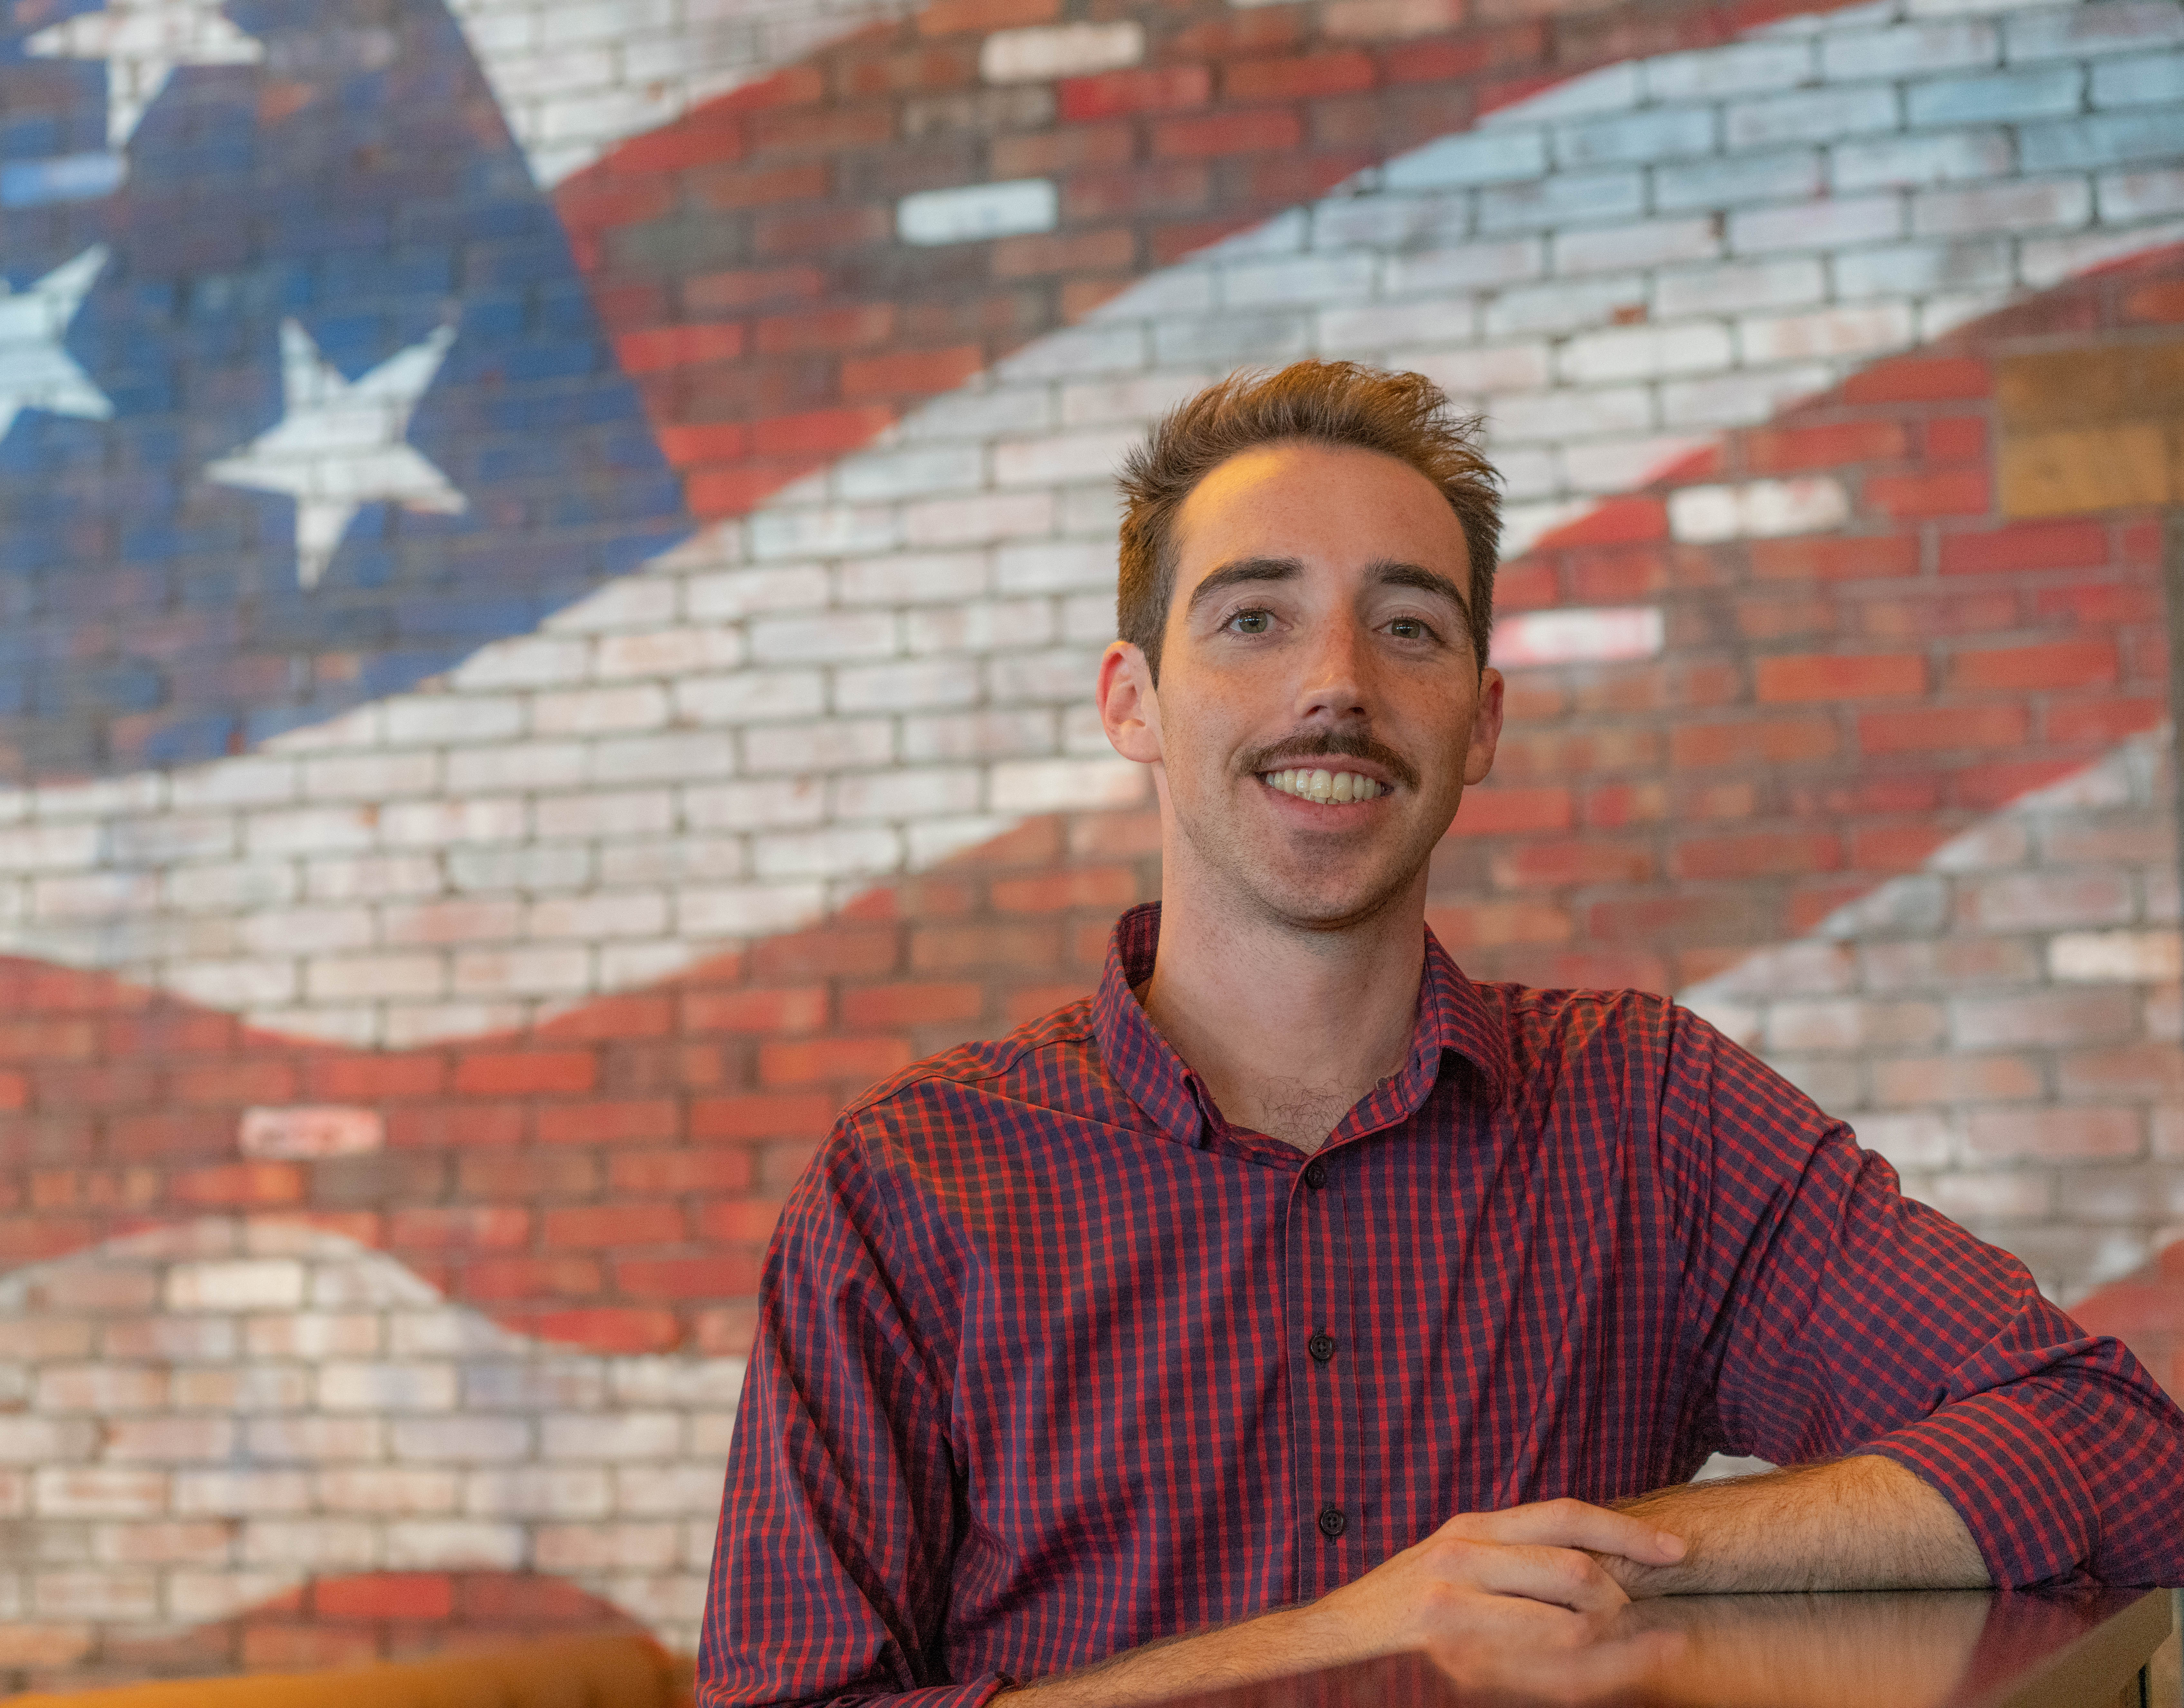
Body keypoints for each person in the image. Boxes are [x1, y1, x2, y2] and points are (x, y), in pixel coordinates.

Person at [695, 361, 2184, 1708]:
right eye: (1253, 617)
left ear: (1477, 721)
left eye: (1405, 624)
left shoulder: (1643, 1113)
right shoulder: (910, 1183)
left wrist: (1613, 1548)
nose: (1335, 681)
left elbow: (2120, 1457)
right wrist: (1339, 1633)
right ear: (1132, 700)